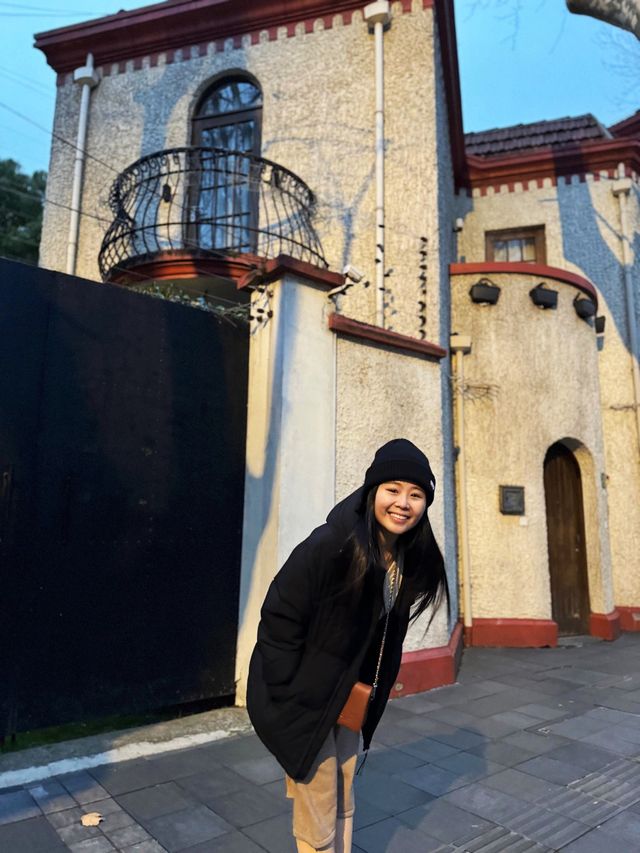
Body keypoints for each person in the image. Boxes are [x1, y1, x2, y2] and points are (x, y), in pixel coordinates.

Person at [246, 438, 449, 853]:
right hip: (306, 698)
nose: (403, 503)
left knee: (342, 790)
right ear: (372, 491)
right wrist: (293, 688)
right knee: (317, 801)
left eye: (416, 495)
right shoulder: (331, 546)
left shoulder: (407, 557)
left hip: (350, 697)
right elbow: (280, 614)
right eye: (393, 489)